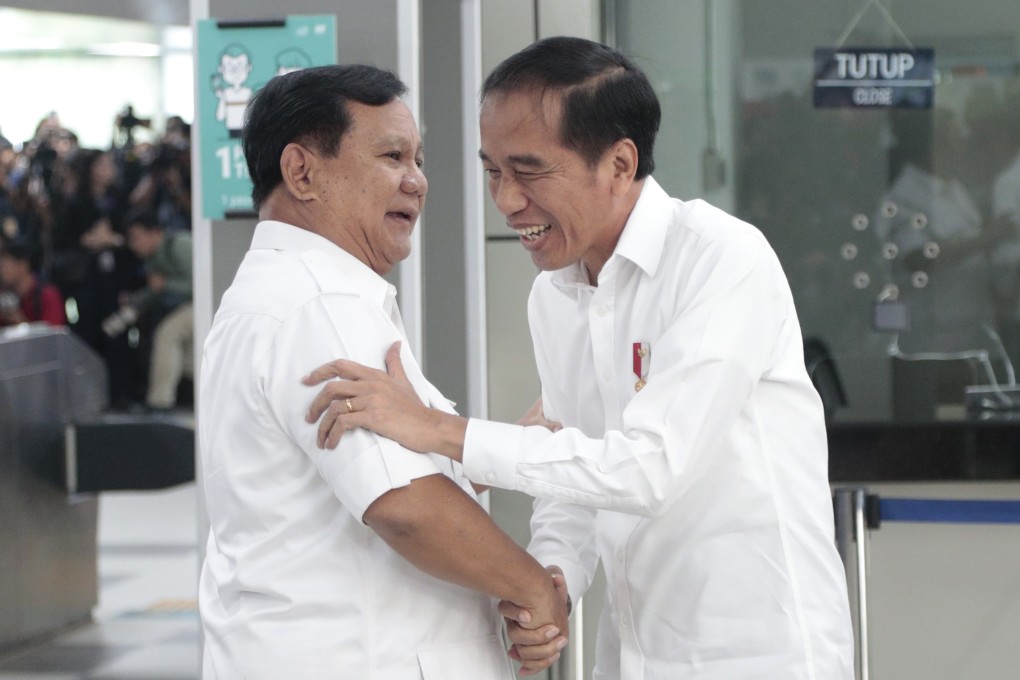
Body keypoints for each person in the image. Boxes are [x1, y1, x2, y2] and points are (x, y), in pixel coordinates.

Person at [304, 37, 855, 680]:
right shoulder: (555, 295)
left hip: (758, 656)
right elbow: (570, 479)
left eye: (530, 170)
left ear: (620, 164)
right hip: (633, 655)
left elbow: (650, 469)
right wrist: (554, 580)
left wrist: (444, 432)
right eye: (492, 171)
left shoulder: (721, 259)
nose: (507, 200)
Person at [197, 64, 568, 680]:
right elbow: (403, 504)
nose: (418, 182)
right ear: (302, 171)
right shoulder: (321, 304)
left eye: (419, 159)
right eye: (393, 156)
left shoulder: (283, 293)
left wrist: (508, 451)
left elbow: (377, 480)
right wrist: (534, 590)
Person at [121, 212, 193, 410]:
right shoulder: (152, 260)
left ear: (154, 233)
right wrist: (134, 304)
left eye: (137, 238)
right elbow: (155, 292)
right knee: (188, 362)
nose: (133, 245)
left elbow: (204, 281)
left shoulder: (180, 245)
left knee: (168, 332)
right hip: (187, 309)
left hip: (209, 302)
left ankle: (159, 402)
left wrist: (167, 284)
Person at [0, 241, 66, 327]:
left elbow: (53, 335)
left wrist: (20, 323)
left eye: (3, 266)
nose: (1, 272)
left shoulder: (47, 296)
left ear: (22, 265)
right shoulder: (5, 296)